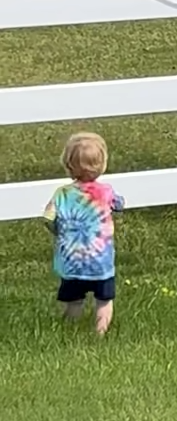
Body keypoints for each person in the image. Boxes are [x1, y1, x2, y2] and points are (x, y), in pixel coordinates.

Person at [43, 132, 125, 336]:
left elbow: (48, 218)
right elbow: (119, 204)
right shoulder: (105, 192)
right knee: (104, 299)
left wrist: (58, 232)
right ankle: (100, 332)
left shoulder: (62, 193)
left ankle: (71, 326)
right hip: (101, 261)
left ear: (68, 165)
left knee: (74, 298)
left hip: (72, 260)